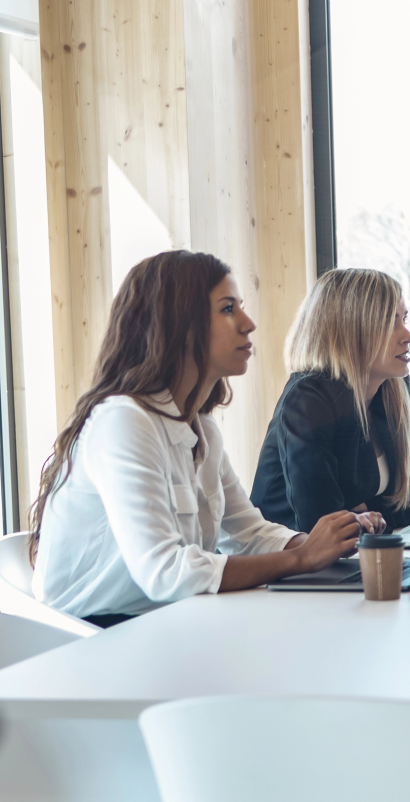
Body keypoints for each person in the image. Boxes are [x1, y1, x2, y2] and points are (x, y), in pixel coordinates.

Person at [32, 250, 365, 624]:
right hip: (91, 635)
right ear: (178, 326)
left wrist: (324, 544)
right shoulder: (122, 422)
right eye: (228, 309)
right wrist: (300, 559)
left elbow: (249, 533)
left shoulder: (202, 427)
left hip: (163, 620)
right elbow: (165, 573)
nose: (248, 323)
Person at [252, 268, 410, 534]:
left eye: (404, 319)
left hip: (355, 552)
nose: (408, 335)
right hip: (285, 555)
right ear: (350, 330)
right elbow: (322, 527)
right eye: (390, 322)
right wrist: (364, 514)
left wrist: (364, 511)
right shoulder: (309, 400)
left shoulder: (395, 390)